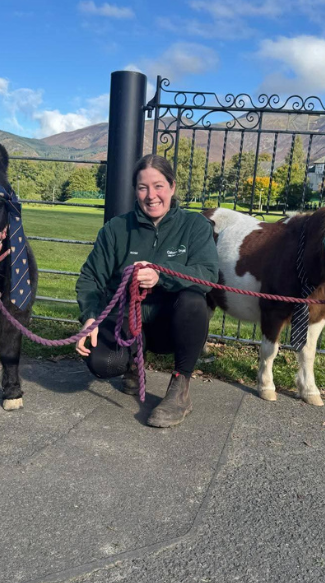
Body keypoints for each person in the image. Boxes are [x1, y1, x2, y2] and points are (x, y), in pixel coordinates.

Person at [75, 154, 219, 428]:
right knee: (101, 363)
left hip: (171, 326)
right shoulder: (116, 229)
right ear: (135, 191)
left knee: (194, 301)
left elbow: (208, 275)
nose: (151, 195)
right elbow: (91, 277)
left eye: (159, 186)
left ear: (172, 187)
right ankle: (130, 363)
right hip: (128, 324)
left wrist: (161, 274)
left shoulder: (195, 226)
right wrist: (90, 317)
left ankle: (180, 388)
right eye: (143, 187)